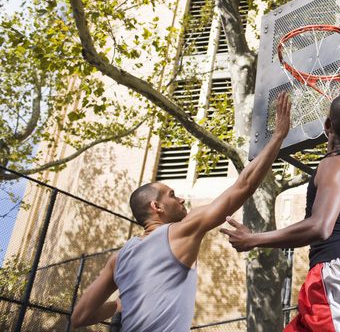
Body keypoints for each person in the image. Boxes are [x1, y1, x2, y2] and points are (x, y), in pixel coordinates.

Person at [221, 6, 340, 332]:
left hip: (338, 273)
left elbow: (321, 227)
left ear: (327, 128)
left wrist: (255, 238)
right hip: (336, 273)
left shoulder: (334, 166)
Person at [70, 93, 292, 331]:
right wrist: (278, 136)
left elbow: (80, 317)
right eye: (172, 195)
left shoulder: (119, 259)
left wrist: (118, 305)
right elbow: (244, 186)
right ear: (156, 207)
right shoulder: (179, 232)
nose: (182, 198)